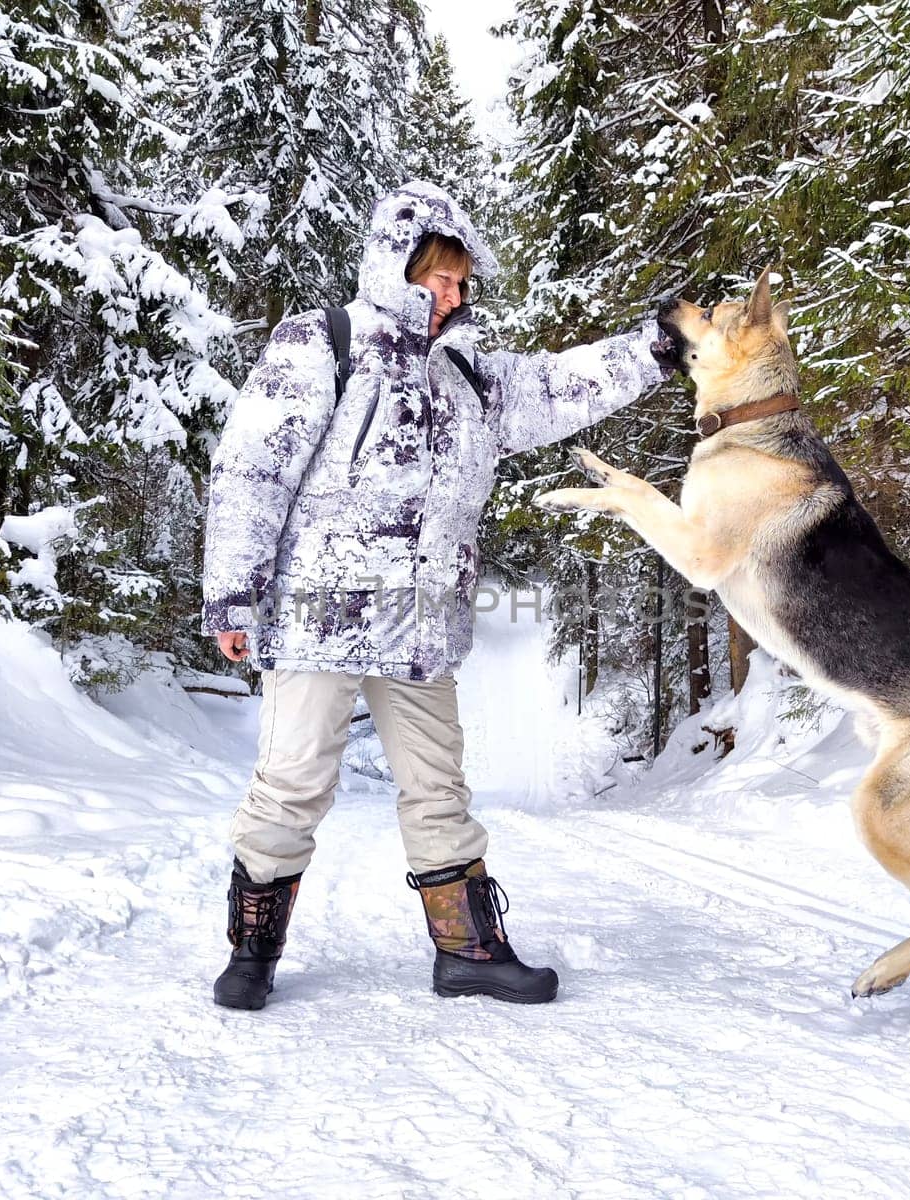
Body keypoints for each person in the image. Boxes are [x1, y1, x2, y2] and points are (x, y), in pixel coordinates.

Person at [201, 181, 671, 1009]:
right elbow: (253, 467)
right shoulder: (323, 342)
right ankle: (252, 953)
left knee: (438, 788)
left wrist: (661, 348)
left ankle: (469, 950)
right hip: (318, 616)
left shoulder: (472, 378)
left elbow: (564, 385)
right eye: (437, 277)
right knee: (292, 782)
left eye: (460, 281)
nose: (452, 295)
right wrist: (234, 596)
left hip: (420, 625)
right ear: (396, 266)